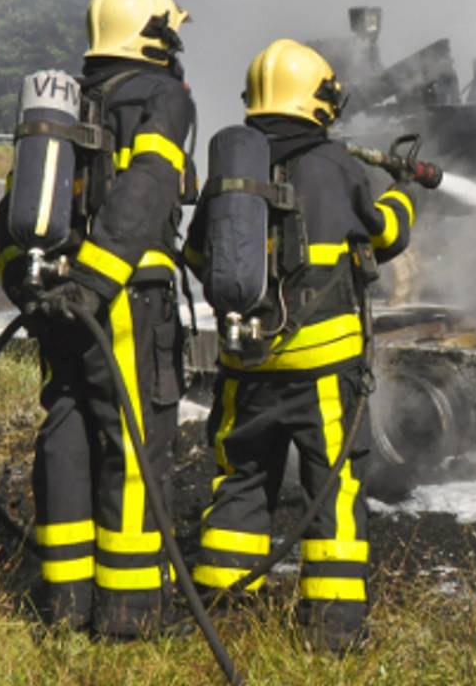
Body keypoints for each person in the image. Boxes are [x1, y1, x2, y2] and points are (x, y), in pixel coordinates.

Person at [184, 38, 416, 650]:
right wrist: (402, 193)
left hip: (246, 364)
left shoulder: (231, 169)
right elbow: (386, 235)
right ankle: (332, 629)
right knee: (331, 490)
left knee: (241, 477)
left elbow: (198, 255)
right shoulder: (336, 165)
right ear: (317, 99)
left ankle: (223, 609)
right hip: (323, 372)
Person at [0, 0, 197, 637]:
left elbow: (12, 209)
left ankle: (66, 604)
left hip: (58, 298)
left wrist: (34, 291)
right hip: (124, 299)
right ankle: (130, 617)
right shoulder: (163, 96)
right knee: (133, 448)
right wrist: (97, 284)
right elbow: (149, 187)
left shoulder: (66, 103)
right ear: (155, 35)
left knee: (67, 435)